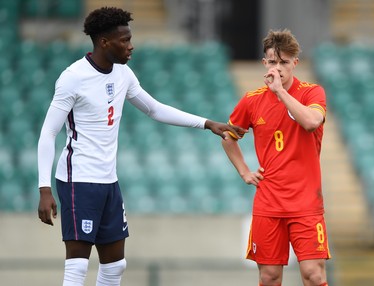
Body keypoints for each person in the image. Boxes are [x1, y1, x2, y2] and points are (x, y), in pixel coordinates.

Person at [37, 6, 246, 286]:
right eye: (124, 40)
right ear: (103, 42)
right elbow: (48, 133)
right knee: (77, 267)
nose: (131, 46)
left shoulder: (123, 74)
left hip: (108, 181)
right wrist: (44, 189)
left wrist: (207, 123)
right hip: (79, 181)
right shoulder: (73, 77)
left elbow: (154, 109)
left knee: (116, 266)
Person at [221, 29, 330, 286]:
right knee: (269, 277)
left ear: (295, 63)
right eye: (272, 62)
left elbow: (312, 122)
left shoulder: (312, 93)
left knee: (313, 274)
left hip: (305, 203)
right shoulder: (251, 100)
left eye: (283, 62)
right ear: (264, 63)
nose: (277, 68)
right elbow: (228, 136)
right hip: (269, 203)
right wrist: (244, 171)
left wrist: (281, 92)